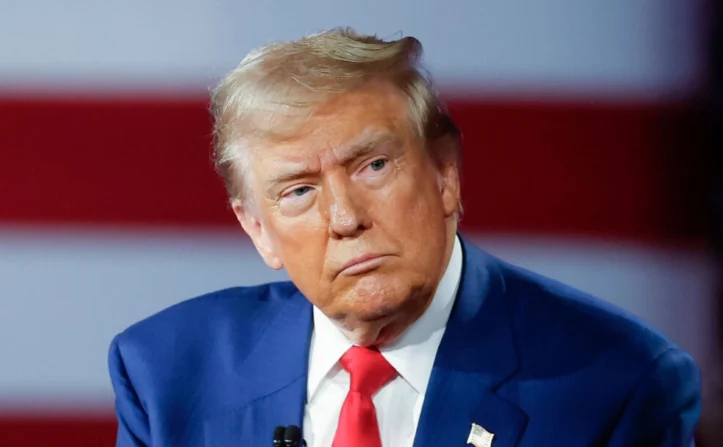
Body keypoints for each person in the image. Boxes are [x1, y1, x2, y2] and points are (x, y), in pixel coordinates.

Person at [108, 28, 702, 447]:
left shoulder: (619, 385)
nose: (344, 218)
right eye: (298, 191)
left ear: (446, 177)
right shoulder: (167, 372)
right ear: (258, 230)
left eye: (373, 166)